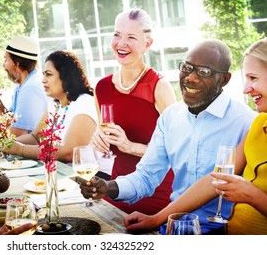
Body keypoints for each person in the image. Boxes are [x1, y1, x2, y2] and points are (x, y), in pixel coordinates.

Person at [79, 38, 257, 234]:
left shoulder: (246, 123)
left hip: (224, 232)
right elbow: (146, 176)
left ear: (224, 79)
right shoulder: (170, 117)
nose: (191, 77)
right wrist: (108, 187)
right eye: (187, 68)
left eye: (203, 72)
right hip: (173, 229)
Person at [91, 8, 177, 215]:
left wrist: (130, 147)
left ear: (147, 44)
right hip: (117, 189)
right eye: (117, 35)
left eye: (131, 37)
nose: (121, 43)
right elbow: (103, 131)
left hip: (156, 194)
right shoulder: (101, 87)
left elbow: (176, 151)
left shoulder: (159, 87)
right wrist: (98, 137)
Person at [4, 50, 98, 163]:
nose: (43, 80)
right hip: (61, 173)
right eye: (43, 74)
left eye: (48, 74)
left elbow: (69, 152)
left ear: (66, 76)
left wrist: (20, 149)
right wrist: (7, 144)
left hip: (90, 176)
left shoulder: (84, 103)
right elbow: (36, 138)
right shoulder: (54, 104)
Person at [0, 35, 48, 137]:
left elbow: (17, 135)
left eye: (6, 60)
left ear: (17, 64)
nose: (3, 65)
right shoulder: (22, 85)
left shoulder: (30, 88)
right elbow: (11, 119)